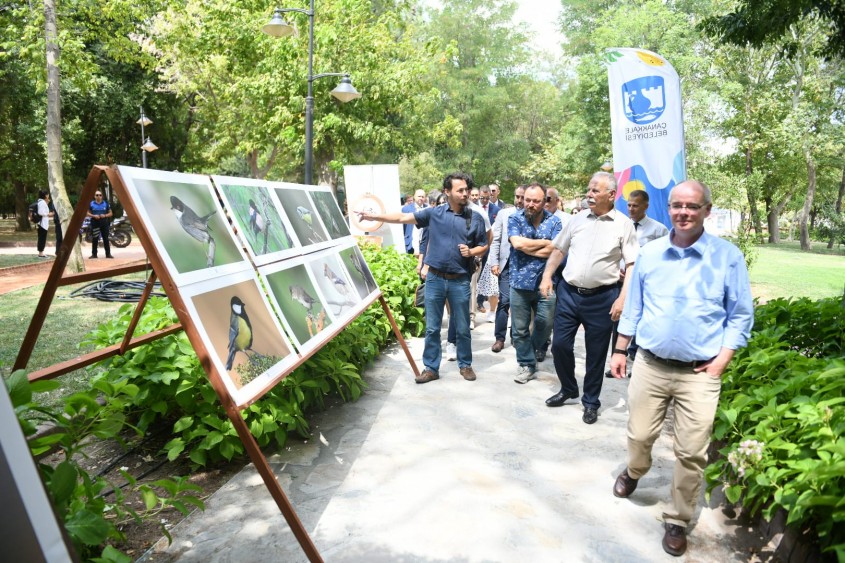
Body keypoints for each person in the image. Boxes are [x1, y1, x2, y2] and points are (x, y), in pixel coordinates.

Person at [609, 180, 753, 557]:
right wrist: (621, 349)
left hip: (699, 373)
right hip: (651, 365)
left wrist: (722, 359)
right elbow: (635, 306)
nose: (683, 212)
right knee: (639, 436)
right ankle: (635, 471)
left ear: (707, 209)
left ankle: (677, 517)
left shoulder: (727, 257)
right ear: (668, 209)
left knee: (691, 452)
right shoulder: (651, 254)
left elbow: (740, 315)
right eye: (676, 206)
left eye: (692, 206)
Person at [356, 172, 487, 383]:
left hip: (460, 279)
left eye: (467, 190)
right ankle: (431, 368)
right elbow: (402, 218)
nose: (465, 194)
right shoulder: (434, 214)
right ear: (447, 191)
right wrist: (374, 217)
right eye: (460, 190)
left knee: (462, 326)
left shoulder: (475, 218)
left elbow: (484, 243)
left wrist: (472, 252)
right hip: (435, 278)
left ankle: (465, 364)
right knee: (433, 327)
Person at [539, 171, 638, 424]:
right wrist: (547, 275)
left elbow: (632, 264)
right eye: (589, 189)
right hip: (569, 294)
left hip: (603, 297)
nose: (589, 194)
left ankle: (591, 401)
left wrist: (622, 298)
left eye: (595, 190)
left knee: (596, 354)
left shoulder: (623, 224)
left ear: (611, 195)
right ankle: (569, 387)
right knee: (560, 345)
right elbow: (559, 249)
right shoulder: (578, 219)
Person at [605, 188, 670, 378]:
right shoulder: (620, 226)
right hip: (621, 283)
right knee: (618, 323)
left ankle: (637, 365)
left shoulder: (658, 230)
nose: (632, 209)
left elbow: (663, 259)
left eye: (636, 206)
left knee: (641, 323)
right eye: (629, 205)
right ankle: (616, 362)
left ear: (645, 206)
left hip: (646, 284)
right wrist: (617, 270)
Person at [508, 183, 562, 383]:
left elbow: (557, 249)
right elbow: (517, 243)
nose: (529, 204)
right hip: (519, 282)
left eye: (535, 201)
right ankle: (526, 365)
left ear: (544, 201)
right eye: (527, 200)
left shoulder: (555, 222)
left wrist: (527, 248)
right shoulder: (515, 218)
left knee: (545, 323)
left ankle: (528, 354)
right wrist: (546, 244)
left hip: (546, 282)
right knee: (519, 329)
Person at [490, 185, 525, 352]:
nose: (519, 200)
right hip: (506, 264)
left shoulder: (532, 215)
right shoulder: (504, 214)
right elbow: (495, 239)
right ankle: (499, 338)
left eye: (522, 197)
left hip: (525, 266)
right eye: (517, 196)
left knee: (520, 303)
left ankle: (517, 336)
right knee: (504, 301)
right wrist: (494, 262)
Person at [87, 190, 113, 259]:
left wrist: (104, 215)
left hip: (104, 223)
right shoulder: (91, 204)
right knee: (95, 238)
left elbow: (110, 213)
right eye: (97, 195)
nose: (98, 196)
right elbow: (87, 213)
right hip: (95, 222)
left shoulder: (106, 203)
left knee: (106, 239)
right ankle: (94, 254)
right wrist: (93, 216)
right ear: (94, 196)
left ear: (102, 196)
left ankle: (108, 254)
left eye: (100, 195)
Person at [401, 189, 427, 255]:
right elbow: (403, 227)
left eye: (423, 197)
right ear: (414, 197)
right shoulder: (406, 209)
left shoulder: (428, 209)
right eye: (419, 196)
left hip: (424, 243)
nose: (421, 198)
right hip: (410, 243)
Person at [35, 190, 54, 259]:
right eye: (47, 194)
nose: (48, 196)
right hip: (42, 224)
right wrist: (49, 214)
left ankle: (41, 252)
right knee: (42, 238)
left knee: (41, 238)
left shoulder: (41, 202)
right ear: (45, 195)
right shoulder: (42, 202)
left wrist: (47, 203)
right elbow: (41, 212)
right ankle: (41, 253)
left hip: (42, 223)